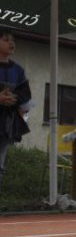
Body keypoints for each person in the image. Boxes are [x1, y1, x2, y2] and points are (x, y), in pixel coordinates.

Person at [0, 29, 31, 192]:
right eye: (5, 39)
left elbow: (26, 94)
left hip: (5, 124)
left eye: (12, 40)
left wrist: (13, 99)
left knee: (0, 165)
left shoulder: (18, 71)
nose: (11, 43)